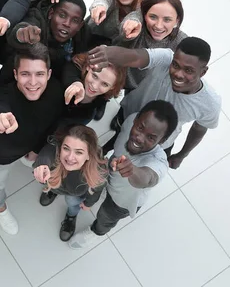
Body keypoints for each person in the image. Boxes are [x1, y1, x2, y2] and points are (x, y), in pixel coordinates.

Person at [88, 37, 221, 169]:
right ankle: (103, 151)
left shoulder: (210, 103)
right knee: (118, 136)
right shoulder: (166, 57)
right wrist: (107, 52)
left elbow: (200, 128)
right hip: (128, 115)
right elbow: (136, 57)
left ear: (203, 72)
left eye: (189, 70)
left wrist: (182, 155)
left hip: (157, 141)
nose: (178, 74)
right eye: (175, 65)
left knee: (130, 167)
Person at [68, 100, 178, 249]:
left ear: (162, 141)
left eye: (151, 137)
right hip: (109, 175)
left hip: (121, 202)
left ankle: (96, 231)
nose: (140, 138)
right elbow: (118, 138)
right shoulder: (129, 121)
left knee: (105, 217)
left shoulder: (158, 162)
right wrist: (103, 151)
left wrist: (132, 170)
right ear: (136, 119)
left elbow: (148, 178)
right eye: (140, 128)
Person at [0, 43, 65, 235]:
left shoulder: (56, 91)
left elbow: (54, 124)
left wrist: (37, 149)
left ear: (48, 74)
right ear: (15, 75)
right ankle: (0, 208)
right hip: (2, 155)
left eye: (39, 74)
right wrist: (0, 116)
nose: (32, 82)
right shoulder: (4, 96)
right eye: (25, 74)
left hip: (32, 149)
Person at [33, 125, 107, 241]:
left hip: (74, 193)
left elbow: (97, 189)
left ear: (88, 155)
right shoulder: (55, 153)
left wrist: (88, 203)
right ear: (60, 147)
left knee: (71, 202)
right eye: (66, 148)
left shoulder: (97, 170)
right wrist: (42, 165)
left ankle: (71, 217)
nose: (70, 157)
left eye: (79, 152)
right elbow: (47, 154)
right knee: (53, 184)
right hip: (56, 184)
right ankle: (52, 191)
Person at [0, 0, 90, 86]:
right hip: (19, 83)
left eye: (75, 21)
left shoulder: (83, 33)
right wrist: (22, 34)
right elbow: (23, 27)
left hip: (55, 83)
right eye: (62, 15)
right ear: (51, 13)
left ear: (80, 25)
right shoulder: (37, 17)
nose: (67, 24)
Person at [116, 0, 188, 91]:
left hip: (141, 88)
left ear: (177, 20)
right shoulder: (138, 21)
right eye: (153, 17)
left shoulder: (181, 41)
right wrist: (130, 26)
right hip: (116, 73)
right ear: (144, 15)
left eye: (167, 20)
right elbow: (130, 22)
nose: (158, 26)